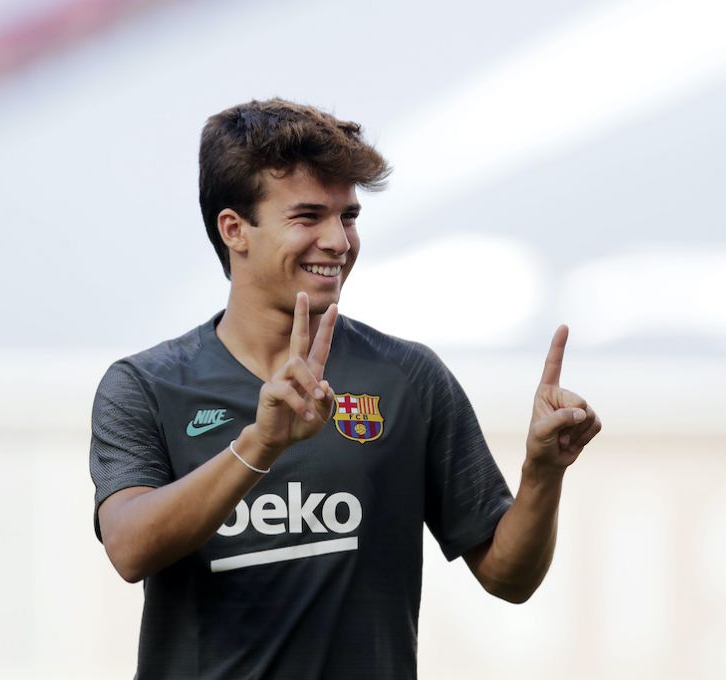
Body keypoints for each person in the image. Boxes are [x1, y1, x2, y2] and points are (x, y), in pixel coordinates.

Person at [89, 98, 602, 679]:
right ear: (235, 230)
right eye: (308, 216)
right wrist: (261, 444)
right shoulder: (146, 385)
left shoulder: (407, 377)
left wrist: (543, 472)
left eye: (349, 216)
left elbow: (509, 576)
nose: (338, 240)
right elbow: (129, 549)